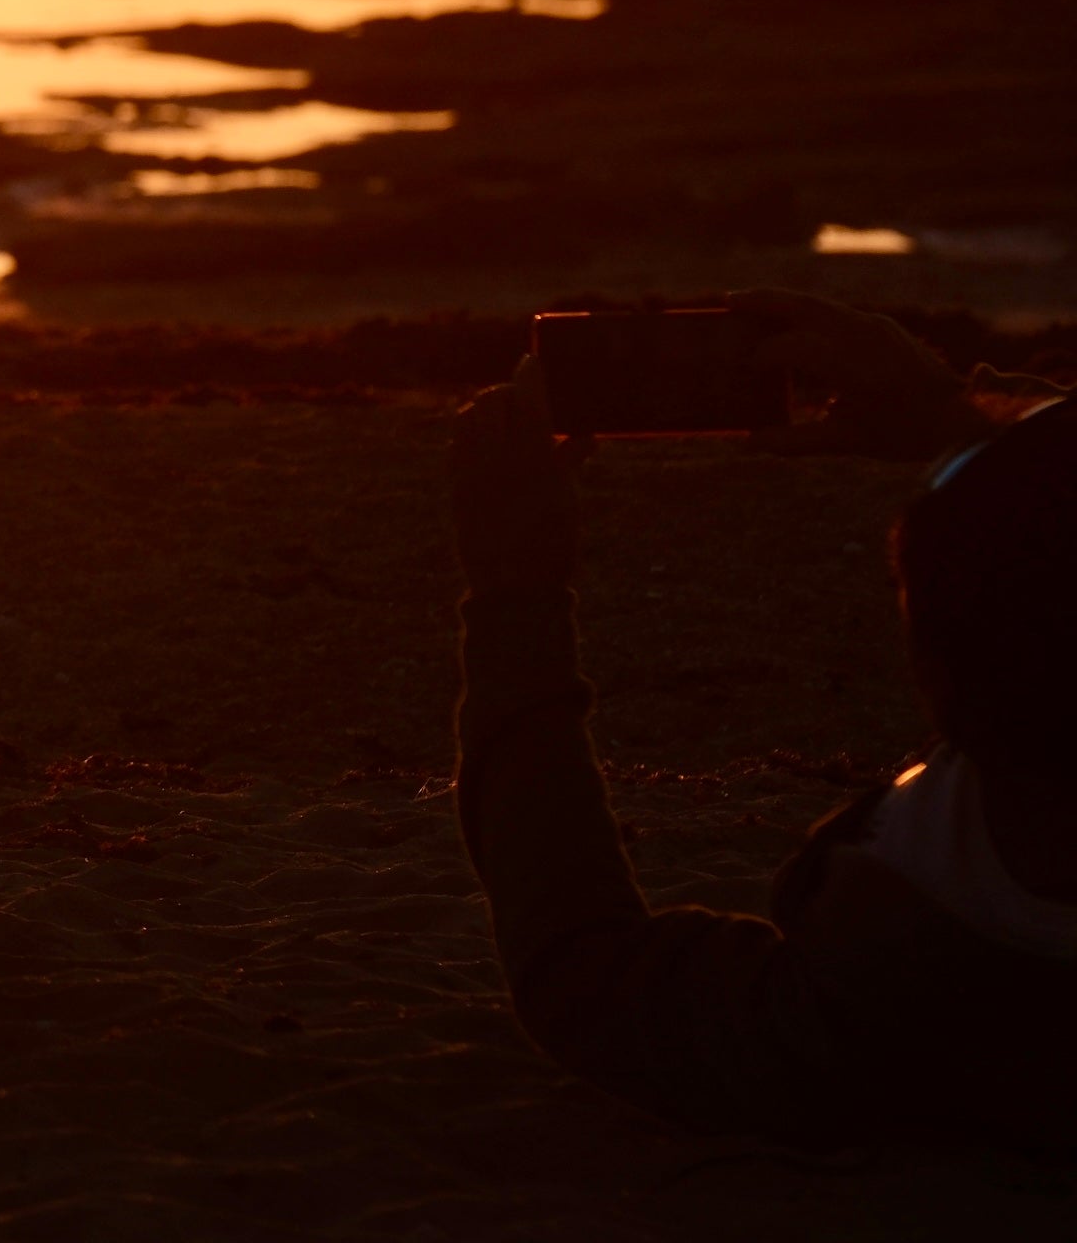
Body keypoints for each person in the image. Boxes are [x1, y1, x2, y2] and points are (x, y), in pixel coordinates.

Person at [449, 287, 1077, 1147]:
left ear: (932, 678)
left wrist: (514, 594)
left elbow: (583, 977)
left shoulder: (887, 1004)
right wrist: (958, 413)